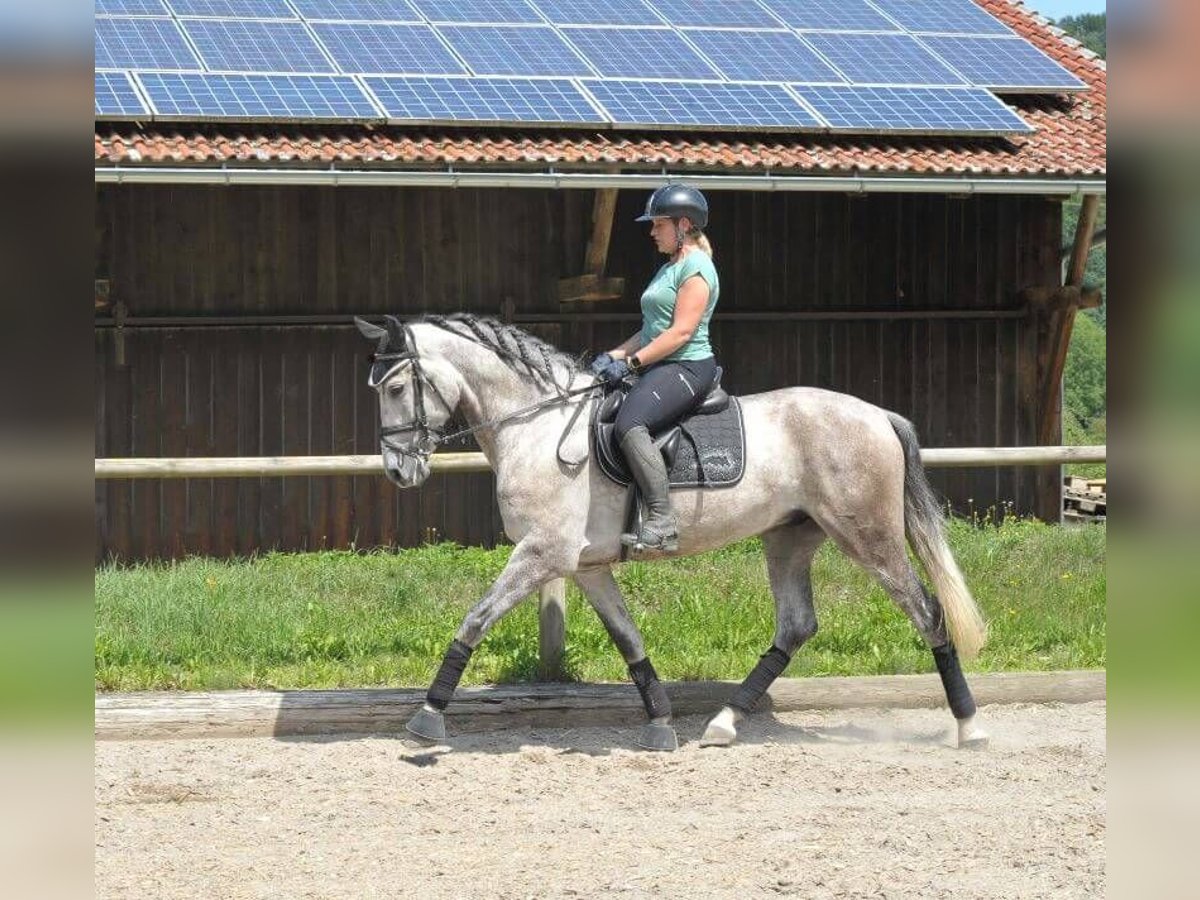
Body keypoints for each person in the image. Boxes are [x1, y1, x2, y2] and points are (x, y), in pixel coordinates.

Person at [591, 183, 720, 552]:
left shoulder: (697, 268)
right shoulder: (669, 268)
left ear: (682, 225)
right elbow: (651, 330)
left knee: (630, 423)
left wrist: (633, 363)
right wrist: (615, 354)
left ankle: (662, 521)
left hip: (688, 366)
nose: (651, 231)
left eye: (657, 224)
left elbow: (680, 333)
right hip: (662, 364)